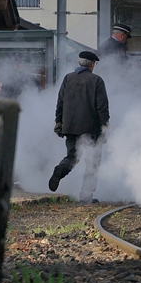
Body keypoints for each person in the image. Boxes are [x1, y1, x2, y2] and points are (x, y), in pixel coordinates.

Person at [48, 50, 110, 201]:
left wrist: (59, 122)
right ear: (92, 65)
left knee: (72, 156)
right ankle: (86, 195)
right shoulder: (97, 80)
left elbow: (60, 102)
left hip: (70, 127)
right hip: (91, 129)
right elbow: (102, 107)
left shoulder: (68, 78)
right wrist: (105, 127)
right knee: (93, 161)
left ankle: (61, 169)